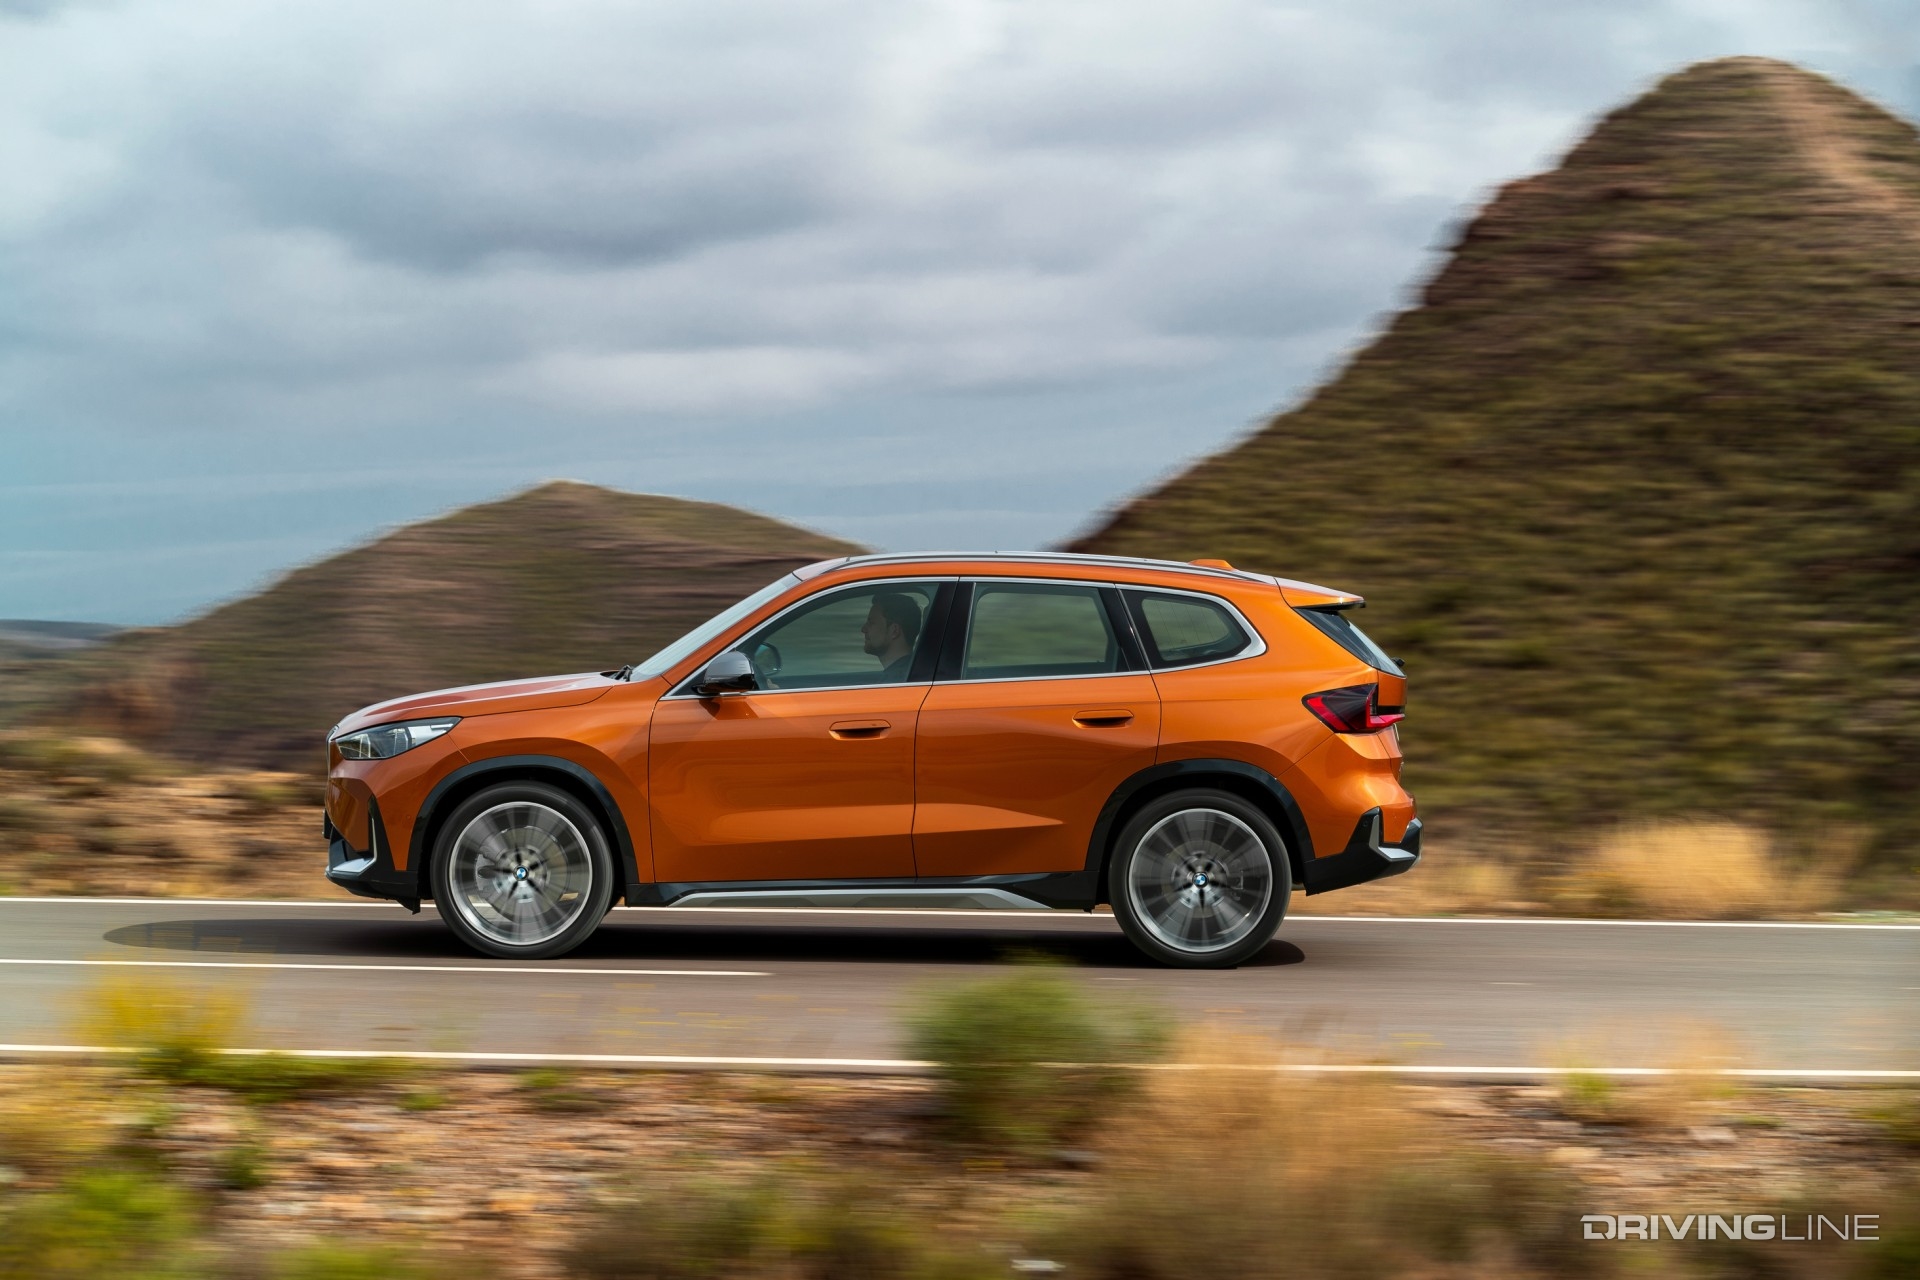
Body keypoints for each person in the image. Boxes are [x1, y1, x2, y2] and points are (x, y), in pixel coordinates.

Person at [861, 592, 922, 681]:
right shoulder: (909, 674)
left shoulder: (897, 680)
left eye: (871, 623)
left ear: (894, 631)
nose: (863, 629)